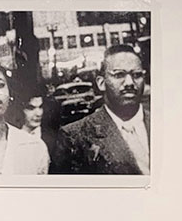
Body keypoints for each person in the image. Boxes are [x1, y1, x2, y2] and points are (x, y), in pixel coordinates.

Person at [54, 45, 152, 175]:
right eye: (119, 75)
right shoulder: (74, 136)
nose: (129, 82)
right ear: (101, 83)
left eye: (137, 75)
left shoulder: (165, 124)